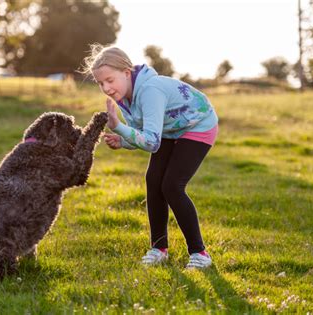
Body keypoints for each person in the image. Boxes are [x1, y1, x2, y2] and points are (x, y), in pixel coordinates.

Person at [82, 44, 219, 268]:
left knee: (172, 186)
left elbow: (151, 142)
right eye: (100, 83)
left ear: (126, 73)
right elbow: (144, 132)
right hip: (170, 128)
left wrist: (119, 128)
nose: (106, 88)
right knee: (153, 180)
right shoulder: (123, 94)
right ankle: (159, 248)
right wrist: (124, 141)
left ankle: (199, 254)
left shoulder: (150, 90)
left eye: (110, 80)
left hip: (198, 125)